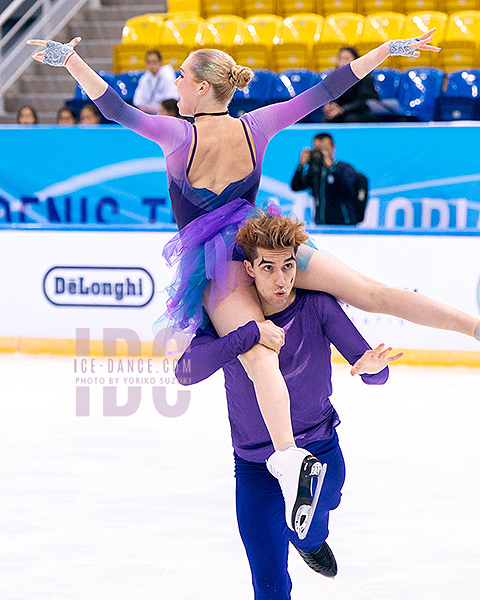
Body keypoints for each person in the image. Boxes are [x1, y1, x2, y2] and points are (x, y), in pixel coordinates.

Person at [27, 31, 480, 539]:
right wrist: (385, 52)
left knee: (259, 351)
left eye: (181, 75)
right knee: (372, 292)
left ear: (200, 88)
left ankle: (287, 458)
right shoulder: (257, 125)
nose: (176, 82)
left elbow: (114, 109)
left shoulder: (176, 134)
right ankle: (474, 327)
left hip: (220, 262)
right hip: (265, 240)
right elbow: (329, 88)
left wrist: (69, 61)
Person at [175, 210, 403, 598]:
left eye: (288, 266)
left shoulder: (318, 306)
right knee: (268, 584)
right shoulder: (227, 320)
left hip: (320, 450)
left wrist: (373, 368)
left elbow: (374, 370)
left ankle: (310, 542)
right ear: (248, 268)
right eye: (268, 268)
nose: (280, 280)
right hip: (256, 467)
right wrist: (245, 335)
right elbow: (186, 372)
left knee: (321, 514)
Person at [291, 132, 368, 225]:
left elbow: (348, 190)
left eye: (325, 149)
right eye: (318, 150)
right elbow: (296, 186)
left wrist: (331, 168)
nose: (322, 153)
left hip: (344, 225)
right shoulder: (315, 171)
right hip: (321, 224)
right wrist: (300, 166)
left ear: (333, 148)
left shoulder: (344, 168)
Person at [323, 46, 379, 123]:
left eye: (346, 59)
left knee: (350, 118)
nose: (342, 62)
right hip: (342, 110)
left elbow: (362, 101)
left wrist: (342, 109)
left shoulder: (365, 77)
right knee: (328, 119)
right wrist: (331, 106)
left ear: (355, 60)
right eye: (340, 59)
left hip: (360, 110)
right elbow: (333, 98)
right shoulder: (335, 78)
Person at [133, 50, 179, 115]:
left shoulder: (168, 75)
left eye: (154, 62)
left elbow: (172, 99)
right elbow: (137, 101)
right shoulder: (144, 78)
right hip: (148, 112)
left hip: (165, 112)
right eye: (149, 62)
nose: (152, 65)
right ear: (146, 64)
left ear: (161, 62)